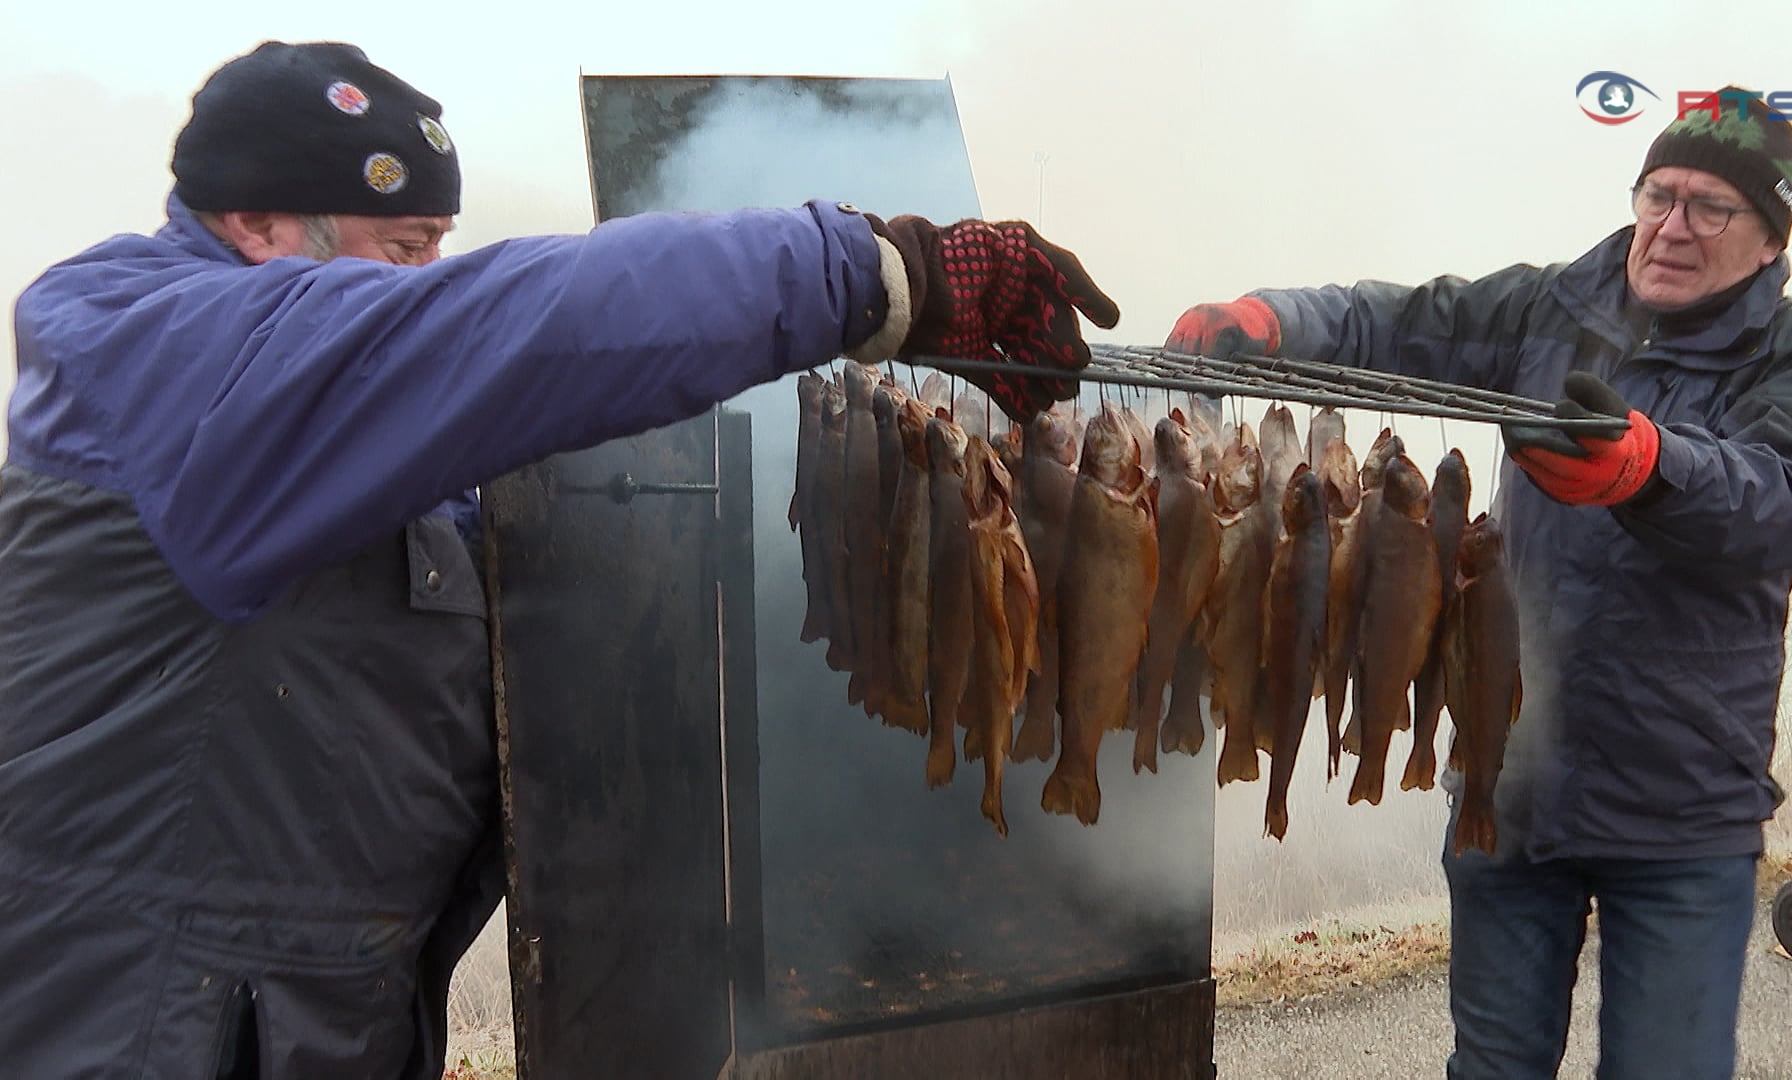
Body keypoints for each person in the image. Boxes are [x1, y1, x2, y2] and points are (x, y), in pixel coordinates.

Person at [0, 40, 1118, 1080]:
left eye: (439, 247)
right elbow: (519, 327)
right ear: (253, 222)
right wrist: (871, 269)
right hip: (143, 1031)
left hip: (301, 1020)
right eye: (401, 251)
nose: (422, 279)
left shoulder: (320, 419)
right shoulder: (155, 357)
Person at [1166, 90, 1792, 1080]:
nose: (1672, 226)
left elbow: (1784, 499)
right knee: (1493, 1066)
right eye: (1659, 194)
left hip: (1682, 816)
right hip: (1510, 791)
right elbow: (1395, 321)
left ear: (1769, 236)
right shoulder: (1550, 308)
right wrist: (1272, 320)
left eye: (1713, 207)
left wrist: (1647, 465)